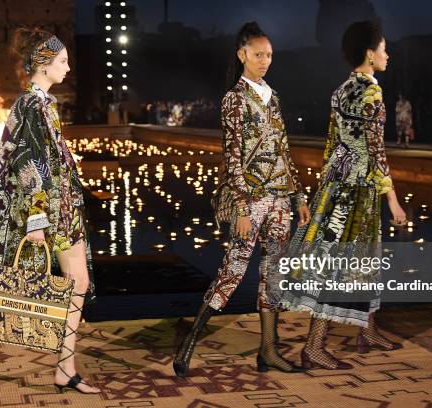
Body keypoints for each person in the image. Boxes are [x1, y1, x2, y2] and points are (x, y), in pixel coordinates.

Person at [0, 27, 100, 394]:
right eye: (63, 61)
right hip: (46, 214)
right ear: (44, 64)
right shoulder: (30, 105)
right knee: (8, 289)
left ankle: (65, 367)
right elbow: (27, 162)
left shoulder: (45, 105)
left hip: (64, 211)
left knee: (78, 283)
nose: (68, 68)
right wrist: (36, 220)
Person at [173, 21, 310, 377]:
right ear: (242, 54)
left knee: (274, 276)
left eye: (269, 55)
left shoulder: (273, 96)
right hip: (252, 199)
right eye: (258, 54)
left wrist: (299, 198)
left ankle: (269, 351)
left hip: (280, 199)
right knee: (231, 273)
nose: (265, 61)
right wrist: (242, 208)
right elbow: (231, 156)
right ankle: (189, 344)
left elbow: (283, 151)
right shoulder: (234, 99)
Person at [279, 20, 407, 370]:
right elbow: (376, 151)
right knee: (342, 265)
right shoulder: (371, 94)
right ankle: (314, 346)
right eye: (383, 48)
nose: (387, 54)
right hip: (359, 191)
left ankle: (368, 330)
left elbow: (332, 145)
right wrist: (392, 197)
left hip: (336, 187)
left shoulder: (341, 90)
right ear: (369, 53)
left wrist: (326, 187)